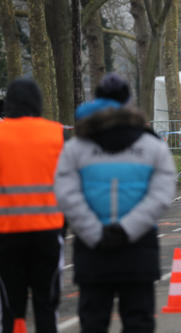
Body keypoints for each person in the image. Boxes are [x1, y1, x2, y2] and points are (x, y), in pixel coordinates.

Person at [54, 73, 176, 333]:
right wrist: (127, 229)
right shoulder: (152, 145)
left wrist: (94, 232)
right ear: (129, 102)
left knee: (93, 321)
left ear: (97, 101)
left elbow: (66, 194)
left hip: (92, 248)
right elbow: (162, 194)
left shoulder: (76, 147)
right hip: (139, 246)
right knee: (138, 321)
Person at [0, 78, 65, 333]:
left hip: (6, 233)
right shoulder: (57, 133)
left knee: (9, 307)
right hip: (48, 231)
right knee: (46, 303)